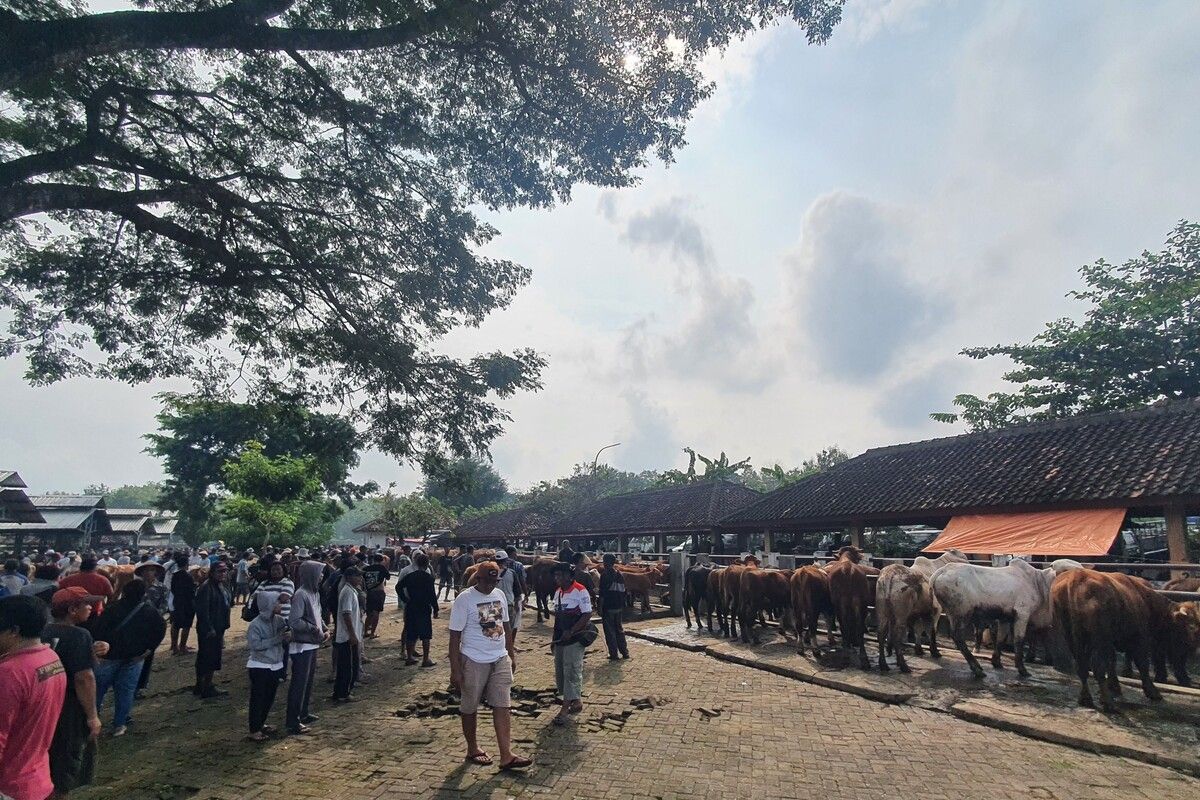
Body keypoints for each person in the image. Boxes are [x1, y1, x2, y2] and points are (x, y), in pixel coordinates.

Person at [448, 560, 531, 771]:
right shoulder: (464, 600)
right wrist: (455, 670)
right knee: (470, 706)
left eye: (495, 581)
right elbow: (454, 637)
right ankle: (472, 748)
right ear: (478, 579)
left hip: (499, 657)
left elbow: (505, 626)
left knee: (503, 704)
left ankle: (506, 755)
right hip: (473, 660)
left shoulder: (499, 595)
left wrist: (511, 655)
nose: (491, 585)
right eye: (487, 581)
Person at [0, 596, 67, 800]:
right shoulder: (50, 659)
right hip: (38, 779)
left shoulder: (10, 672)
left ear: (13, 631)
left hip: (10, 787)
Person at [42, 587, 107, 797]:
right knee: (64, 765)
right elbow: (84, 678)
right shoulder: (80, 635)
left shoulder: (43, 631)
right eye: (86, 604)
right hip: (69, 708)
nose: (91, 607)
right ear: (72, 609)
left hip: (45, 705)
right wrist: (92, 717)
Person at [90, 578, 165, 736]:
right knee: (126, 691)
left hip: (109, 657)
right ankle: (120, 724)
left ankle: (92, 720)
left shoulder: (112, 608)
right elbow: (160, 629)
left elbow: (98, 629)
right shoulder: (149, 610)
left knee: (98, 690)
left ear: (124, 592)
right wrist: (149, 649)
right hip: (135, 657)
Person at [286, 561, 326, 735]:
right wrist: (314, 628)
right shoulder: (301, 594)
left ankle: (303, 712)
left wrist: (324, 628)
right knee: (299, 683)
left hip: (312, 642)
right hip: (302, 645)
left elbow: (317, 615)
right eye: (320, 573)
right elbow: (294, 621)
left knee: (308, 681)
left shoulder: (314, 593)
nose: (322, 577)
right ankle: (293, 720)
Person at [550, 562, 592, 725]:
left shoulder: (580, 591)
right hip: (561, 638)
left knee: (571, 670)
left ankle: (564, 709)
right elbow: (557, 618)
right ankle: (576, 701)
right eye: (556, 575)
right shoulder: (558, 592)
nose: (557, 578)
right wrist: (554, 638)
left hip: (575, 638)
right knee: (560, 670)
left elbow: (587, 614)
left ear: (570, 576)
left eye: (561, 575)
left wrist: (572, 631)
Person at [245, 590, 291, 742]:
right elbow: (255, 645)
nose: (279, 605)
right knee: (258, 698)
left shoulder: (277, 620)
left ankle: (261, 723)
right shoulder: (255, 625)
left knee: (269, 697)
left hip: (275, 664)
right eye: (276, 602)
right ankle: (254, 729)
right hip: (259, 665)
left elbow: (288, 626)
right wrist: (277, 639)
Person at [193, 561, 231, 699]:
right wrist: (209, 628)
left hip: (218, 626)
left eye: (224, 571)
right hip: (209, 629)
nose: (223, 574)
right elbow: (202, 611)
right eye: (219, 571)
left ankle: (203, 685)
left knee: (211, 657)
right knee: (207, 657)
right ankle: (205, 686)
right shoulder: (206, 588)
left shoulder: (221, 586)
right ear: (212, 572)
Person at [133, 562, 168, 698]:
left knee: (147, 656)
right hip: (135, 626)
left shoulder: (162, 588)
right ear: (141, 573)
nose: (148, 573)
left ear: (156, 573)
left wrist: (153, 618)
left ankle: (140, 686)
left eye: (152, 570)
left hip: (151, 627)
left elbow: (164, 607)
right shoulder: (135, 587)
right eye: (146, 571)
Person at [398, 552, 438, 667]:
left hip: (412, 606)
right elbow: (432, 595)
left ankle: (409, 657)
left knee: (411, 632)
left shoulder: (410, 576)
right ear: (427, 564)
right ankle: (426, 659)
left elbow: (398, 587)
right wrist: (435, 609)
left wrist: (405, 599)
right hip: (424, 607)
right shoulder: (428, 577)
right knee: (426, 634)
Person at [331, 567, 363, 702]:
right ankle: (343, 693)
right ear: (349, 577)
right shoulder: (347, 592)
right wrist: (352, 634)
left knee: (348, 666)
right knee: (347, 668)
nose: (360, 579)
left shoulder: (350, 590)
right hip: (347, 637)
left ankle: (340, 691)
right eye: (357, 576)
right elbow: (346, 614)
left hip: (349, 635)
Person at [598, 554, 630, 661]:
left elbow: (602, 594)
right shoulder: (619, 574)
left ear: (605, 562)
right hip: (618, 606)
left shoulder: (604, 575)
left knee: (610, 631)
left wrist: (600, 607)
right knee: (619, 629)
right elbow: (624, 591)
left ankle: (614, 654)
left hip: (608, 606)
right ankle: (625, 652)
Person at [495, 552, 526, 643]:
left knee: (495, 629)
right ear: (506, 561)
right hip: (509, 604)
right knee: (509, 628)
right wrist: (517, 603)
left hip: (494, 605)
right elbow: (517, 591)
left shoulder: (491, 572)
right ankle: (508, 648)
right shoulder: (511, 573)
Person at [360, 553, 390, 639]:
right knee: (376, 612)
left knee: (369, 613)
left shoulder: (366, 568)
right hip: (379, 592)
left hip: (369, 592)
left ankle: (365, 632)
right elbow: (388, 577)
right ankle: (372, 633)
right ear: (381, 561)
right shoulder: (382, 568)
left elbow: (362, 580)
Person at [169, 562, 196, 655]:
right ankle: (183, 647)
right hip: (187, 603)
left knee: (175, 625)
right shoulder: (188, 576)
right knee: (186, 625)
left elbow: (172, 589)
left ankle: (174, 646)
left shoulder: (174, 575)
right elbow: (192, 591)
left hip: (177, 602)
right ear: (186, 565)